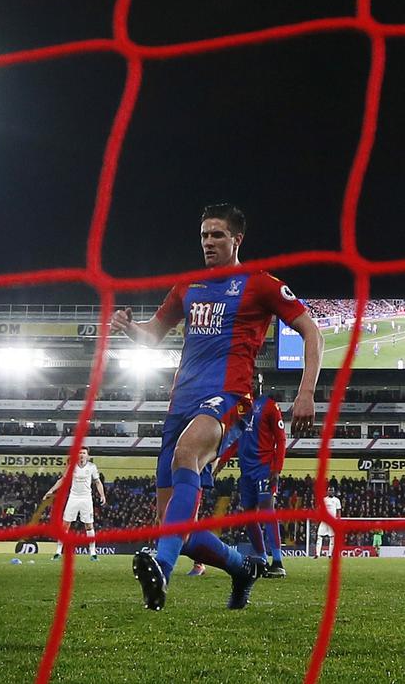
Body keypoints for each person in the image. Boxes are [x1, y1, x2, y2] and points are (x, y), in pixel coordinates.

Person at [111, 203, 322, 610]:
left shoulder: (260, 284)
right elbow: (154, 334)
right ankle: (241, 567)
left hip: (228, 398)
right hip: (181, 401)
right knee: (174, 525)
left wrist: (306, 392)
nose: (208, 242)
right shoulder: (187, 286)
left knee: (189, 453)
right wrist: (128, 329)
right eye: (204, 234)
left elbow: (310, 330)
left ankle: (163, 566)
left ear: (236, 239)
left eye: (218, 235)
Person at [214, 390, 289, 577]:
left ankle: (278, 561)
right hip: (246, 471)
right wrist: (220, 464)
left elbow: (281, 438)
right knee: (249, 517)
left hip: (264, 467)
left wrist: (277, 469)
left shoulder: (269, 405)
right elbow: (234, 441)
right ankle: (262, 559)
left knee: (266, 510)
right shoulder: (240, 407)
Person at [43, 448, 105, 562]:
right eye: (80, 453)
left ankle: (93, 553)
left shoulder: (92, 467)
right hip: (73, 498)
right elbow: (62, 480)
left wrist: (102, 495)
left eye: (84, 453)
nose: (81, 455)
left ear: (87, 456)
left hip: (86, 499)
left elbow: (97, 482)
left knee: (89, 525)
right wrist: (51, 490)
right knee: (65, 525)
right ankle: (58, 552)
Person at [316, 486, 341, 558]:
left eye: (332, 490)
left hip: (332, 521)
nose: (330, 491)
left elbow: (338, 510)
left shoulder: (337, 500)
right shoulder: (324, 500)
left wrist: (338, 520)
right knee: (319, 536)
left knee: (332, 537)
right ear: (327, 491)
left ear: (334, 491)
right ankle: (317, 554)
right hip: (324, 520)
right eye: (329, 490)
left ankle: (330, 554)